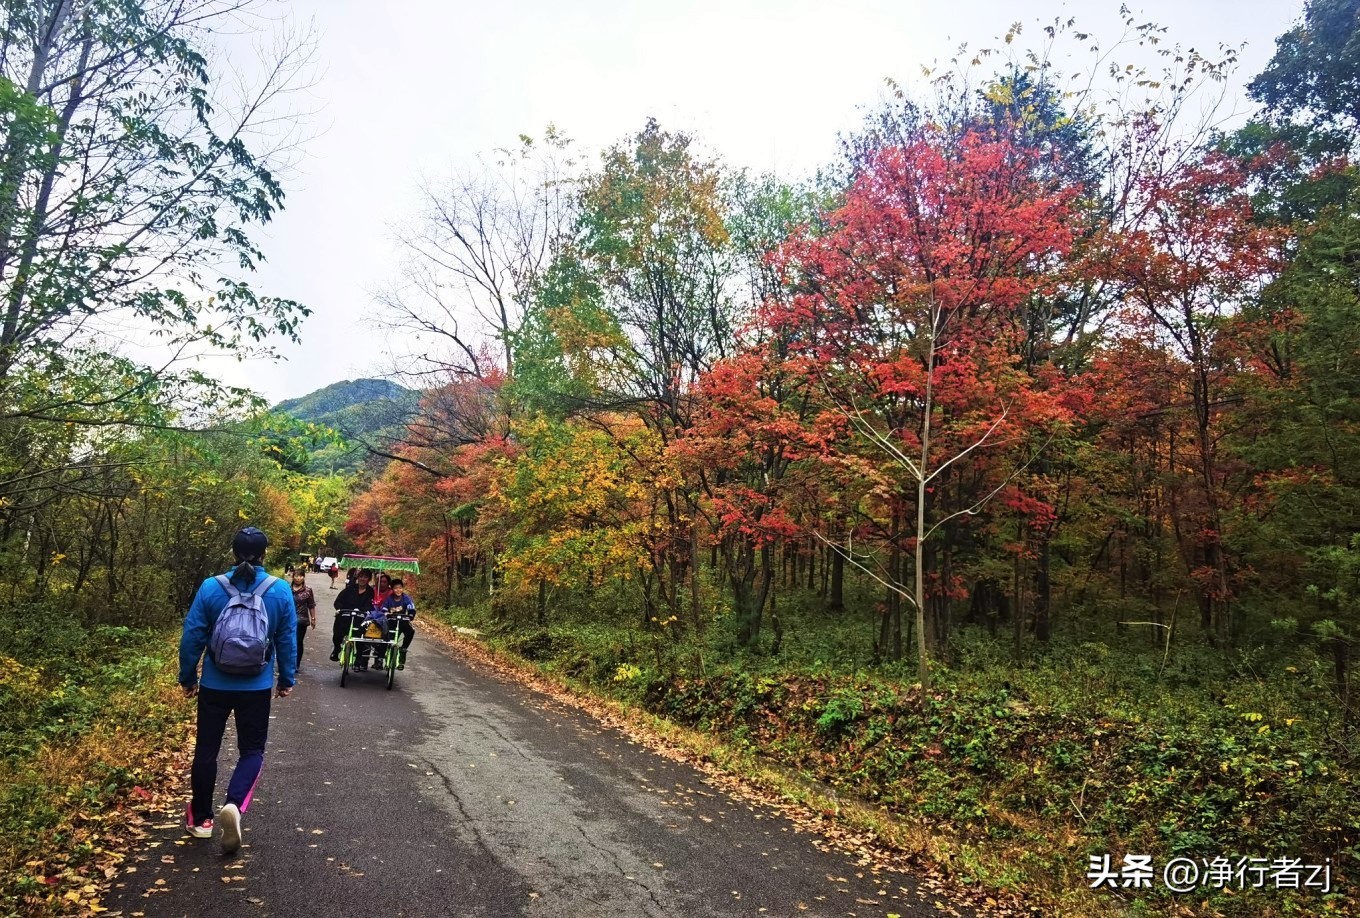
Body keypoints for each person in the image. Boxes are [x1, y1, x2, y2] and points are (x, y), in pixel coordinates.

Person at [178, 527, 295, 853]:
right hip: (256, 686)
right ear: (264, 554)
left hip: (215, 683)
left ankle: (201, 820)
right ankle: (234, 803)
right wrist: (286, 678)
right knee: (252, 750)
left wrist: (187, 676)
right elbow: (286, 639)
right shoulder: (280, 590)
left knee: (207, 750)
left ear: (232, 551)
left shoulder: (211, 587)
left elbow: (192, 637)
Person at [330, 569, 375, 661]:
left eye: (365, 577)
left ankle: (358, 658)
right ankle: (336, 649)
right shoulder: (350, 588)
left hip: (360, 618)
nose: (362, 579)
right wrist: (340, 609)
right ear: (358, 577)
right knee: (338, 631)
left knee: (361, 636)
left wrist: (365, 611)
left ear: (369, 579)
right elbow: (338, 601)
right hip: (346, 615)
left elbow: (370, 605)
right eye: (361, 576)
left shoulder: (370, 592)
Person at [379, 578, 417, 670]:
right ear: (392, 589)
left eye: (400, 588)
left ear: (402, 588)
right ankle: (380, 657)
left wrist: (411, 614)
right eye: (396, 588)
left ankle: (403, 650)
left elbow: (411, 607)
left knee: (410, 631)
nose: (398, 590)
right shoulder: (389, 599)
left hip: (402, 621)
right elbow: (384, 608)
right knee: (386, 637)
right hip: (392, 621)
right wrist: (386, 613)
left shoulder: (406, 598)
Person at [291, 571, 316, 669]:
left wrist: (313, 618)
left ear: (304, 577)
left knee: (298, 641)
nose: (298, 578)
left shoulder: (307, 590)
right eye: (296, 576)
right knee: (286, 641)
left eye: (301, 576)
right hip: (287, 619)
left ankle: (296, 664)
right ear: (293, 577)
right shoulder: (287, 589)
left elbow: (311, 605)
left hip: (301, 620)